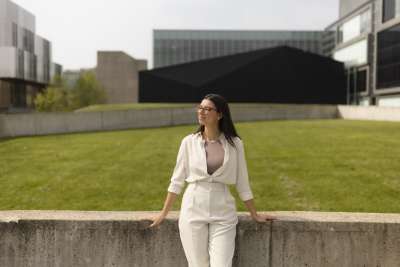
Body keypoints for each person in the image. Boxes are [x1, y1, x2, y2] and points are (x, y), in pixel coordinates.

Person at [149, 93, 276, 267]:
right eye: (200, 108)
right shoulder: (188, 142)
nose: (202, 112)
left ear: (220, 114)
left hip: (223, 211)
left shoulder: (235, 144)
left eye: (208, 109)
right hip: (193, 208)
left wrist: (254, 214)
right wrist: (163, 213)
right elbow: (177, 181)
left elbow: (242, 181)